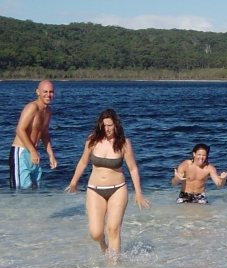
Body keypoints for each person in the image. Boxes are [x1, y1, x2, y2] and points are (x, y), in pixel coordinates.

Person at [65, 108, 149, 257]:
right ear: (100, 125)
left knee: (113, 229)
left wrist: (138, 193)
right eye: (104, 125)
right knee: (96, 232)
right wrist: (73, 182)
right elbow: (83, 162)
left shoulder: (123, 143)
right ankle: (103, 245)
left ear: (116, 125)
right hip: (94, 189)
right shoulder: (92, 140)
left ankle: (114, 266)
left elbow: (133, 168)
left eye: (110, 125)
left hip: (118, 189)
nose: (107, 129)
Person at [9, 79, 57, 189]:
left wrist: (51, 155)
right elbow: (20, 129)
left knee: (35, 190)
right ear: (38, 92)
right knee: (20, 191)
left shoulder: (48, 111)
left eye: (51, 92)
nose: (48, 95)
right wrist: (32, 151)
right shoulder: (32, 107)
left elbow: (44, 134)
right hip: (21, 152)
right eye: (45, 91)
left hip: (34, 152)